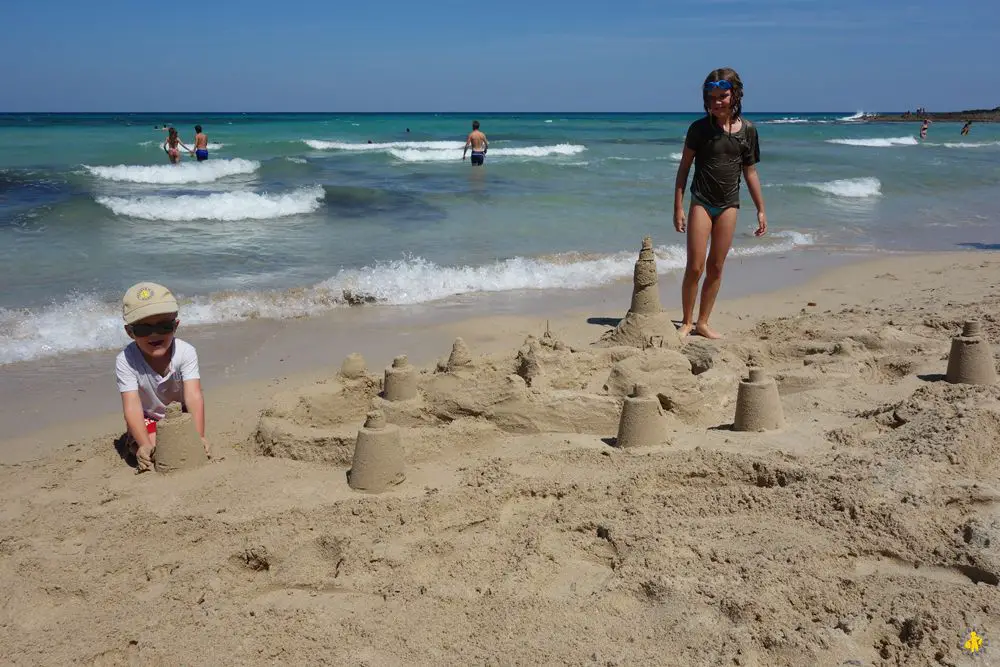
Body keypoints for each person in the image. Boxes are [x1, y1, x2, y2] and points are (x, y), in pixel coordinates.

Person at [673, 68, 767, 340]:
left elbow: (750, 172)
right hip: (701, 201)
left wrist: (761, 208)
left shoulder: (748, 131)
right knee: (695, 266)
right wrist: (678, 206)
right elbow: (683, 168)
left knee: (716, 267)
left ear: (735, 95)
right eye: (711, 97)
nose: (717, 102)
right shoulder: (699, 129)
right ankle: (687, 321)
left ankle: (703, 322)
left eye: (723, 96)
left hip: (729, 205)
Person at [115, 282, 208, 472]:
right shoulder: (126, 360)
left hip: (179, 412)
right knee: (158, 450)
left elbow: (193, 396)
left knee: (182, 444)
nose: (155, 334)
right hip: (148, 416)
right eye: (144, 329)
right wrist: (143, 444)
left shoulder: (186, 352)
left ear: (176, 325)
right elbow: (132, 405)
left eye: (164, 326)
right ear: (130, 332)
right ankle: (135, 442)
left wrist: (198, 437)